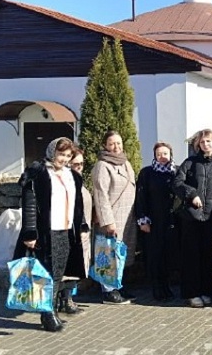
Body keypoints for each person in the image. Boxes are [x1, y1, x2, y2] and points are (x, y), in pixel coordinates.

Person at [13, 137, 87, 332]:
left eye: (68, 155)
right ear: (52, 152)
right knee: (46, 274)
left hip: (65, 231)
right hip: (45, 232)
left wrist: (81, 224)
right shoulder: (38, 174)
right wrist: (30, 233)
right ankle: (47, 314)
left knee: (58, 274)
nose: (64, 158)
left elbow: (77, 203)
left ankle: (52, 309)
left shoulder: (72, 176)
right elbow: (29, 206)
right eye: (61, 154)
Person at [171, 129, 212, 308]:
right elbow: (177, 183)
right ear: (198, 145)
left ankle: (207, 291)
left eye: (209, 142)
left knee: (208, 256)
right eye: (202, 142)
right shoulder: (190, 163)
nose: (206, 145)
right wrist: (192, 194)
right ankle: (192, 293)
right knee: (191, 257)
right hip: (192, 217)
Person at [92, 130, 137, 305]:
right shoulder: (102, 166)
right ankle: (108, 290)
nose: (116, 147)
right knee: (108, 252)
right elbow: (100, 195)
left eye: (118, 143)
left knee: (120, 254)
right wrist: (107, 222)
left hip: (127, 217)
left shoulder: (126, 163)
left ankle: (118, 284)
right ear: (105, 146)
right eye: (112, 144)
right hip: (112, 217)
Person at [134, 142, 178, 301]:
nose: (162, 157)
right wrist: (143, 219)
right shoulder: (147, 173)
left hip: (171, 221)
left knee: (168, 255)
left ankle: (166, 285)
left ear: (170, 154)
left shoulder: (176, 172)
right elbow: (140, 197)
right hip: (153, 221)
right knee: (155, 255)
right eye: (159, 154)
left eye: (165, 153)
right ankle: (157, 287)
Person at [57, 149, 91, 315]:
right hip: (65, 232)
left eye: (81, 164)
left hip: (80, 232)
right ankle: (64, 300)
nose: (79, 167)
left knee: (75, 268)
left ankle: (68, 298)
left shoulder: (77, 180)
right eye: (75, 164)